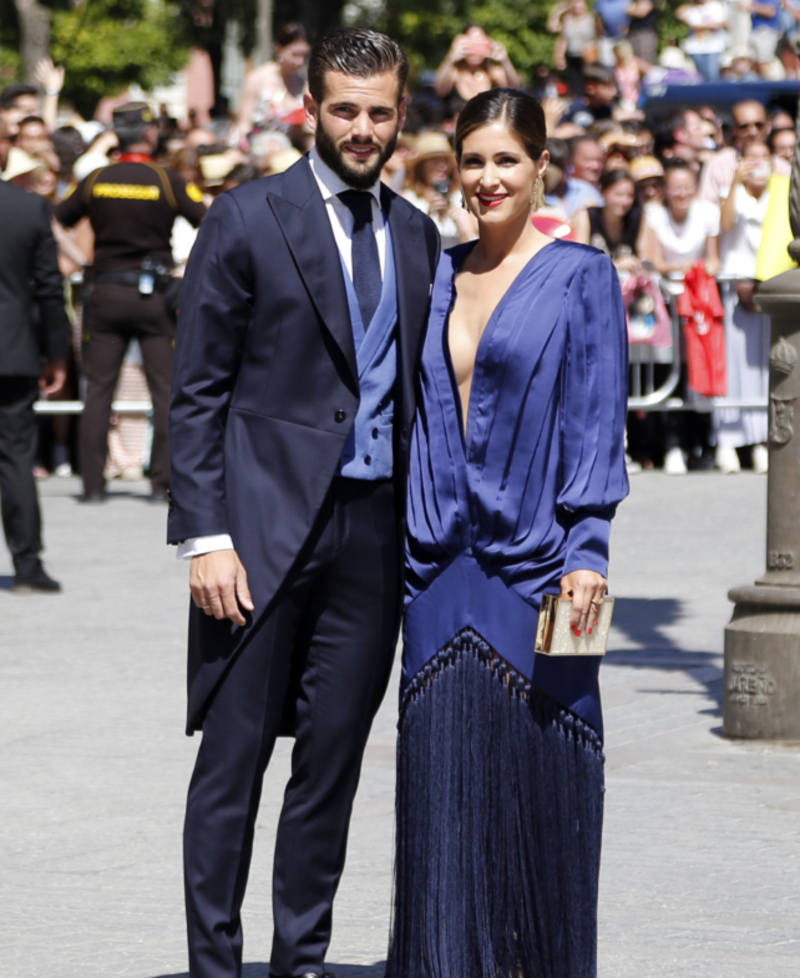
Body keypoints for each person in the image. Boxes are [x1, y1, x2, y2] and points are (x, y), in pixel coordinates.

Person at [168, 29, 439, 978]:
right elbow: (195, 391)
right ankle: (214, 964)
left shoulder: (415, 235)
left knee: (332, 765)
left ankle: (303, 961)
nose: (361, 129)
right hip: (257, 533)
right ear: (311, 110)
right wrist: (204, 536)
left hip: (372, 534)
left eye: (379, 112)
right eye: (344, 110)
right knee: (233, 766)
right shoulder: (246, 219)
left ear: (402, 116)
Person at [385, 87, 629, 978]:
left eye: (505, 161)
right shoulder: (433, 272)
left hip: (545, 572)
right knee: (439, 800)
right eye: (472, 161)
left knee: (545, 788)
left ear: (540, 169)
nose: (486, 179)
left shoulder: (581, 275)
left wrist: (590, 549)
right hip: (433, 568)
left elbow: (597, 423)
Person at [53, 102, 206, 503]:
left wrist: (84, 259)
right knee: (165, 390)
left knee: (98, 389)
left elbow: (55, 219)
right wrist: (185, 267)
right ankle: (161, 485)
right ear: (151, 134)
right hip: (154, 295)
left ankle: (92, 486)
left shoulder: (96, 179)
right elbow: (211, 221)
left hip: (104, 291)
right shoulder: (166, 178)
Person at [0, 115, 70, 592]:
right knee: (16, 458)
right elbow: (50, 290)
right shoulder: (28, 209)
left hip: (16, 350)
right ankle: (27, 565)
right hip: (13, 350)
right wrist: (56, 353)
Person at [715, 140, 772, 473]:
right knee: (732, 366)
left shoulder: (779, 195)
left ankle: (761, 441)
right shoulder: (731, 190)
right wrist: (736, 181)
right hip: (733, 288)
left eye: (763, 157)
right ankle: (728, 440)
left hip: (765, 288)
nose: (758, 164)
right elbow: (725, 225)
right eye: (751, 158)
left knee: (762, 368)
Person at [699, 99, 790, 205]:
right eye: (744, 127)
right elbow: (706, 208)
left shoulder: (782, 167)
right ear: (734, 129)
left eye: (759, 125)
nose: (752, 132)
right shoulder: (719, 164)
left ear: (768, 126)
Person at [236, 23, 311, 142]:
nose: (300, 62)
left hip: (294, 146)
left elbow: (309, 127)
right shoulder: (257, 79)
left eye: (304, 56)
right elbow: (243, 125)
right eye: (294, 54)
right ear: (279, 48)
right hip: (259, 146)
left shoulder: (304, 84)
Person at [402, 130, 475, 249]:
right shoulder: (409, 200)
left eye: (445, 161)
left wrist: (455, 216)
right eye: (435, 161)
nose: (443, 167)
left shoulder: (459, 198)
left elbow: (471, 246)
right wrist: (427, 216)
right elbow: (406, 246)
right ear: (421, 167)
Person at [575, 168, 658, 271]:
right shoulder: (587, 216)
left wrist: (638, 265)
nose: (624, 201)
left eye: (630, 196)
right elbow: (579, 259)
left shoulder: (638, 218)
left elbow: (647, 262)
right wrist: (615, 265)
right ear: (603, 192)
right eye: (618, 194)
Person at [434, 24, 521, 100]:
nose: (474, 51)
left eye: (480, 44)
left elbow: (514, 90)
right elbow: (440, 90)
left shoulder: (494, 74)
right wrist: (450, 58)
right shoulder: (455, 74)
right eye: (470, 44)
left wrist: (505, 60)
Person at [676, 0, 729, 80]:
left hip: (713, 47)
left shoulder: (716, 6)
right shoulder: (691, 8)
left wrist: (702, 26)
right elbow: (681, 15)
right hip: (696, 48)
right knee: (701, 75)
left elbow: (723, 23)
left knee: (712, 74)